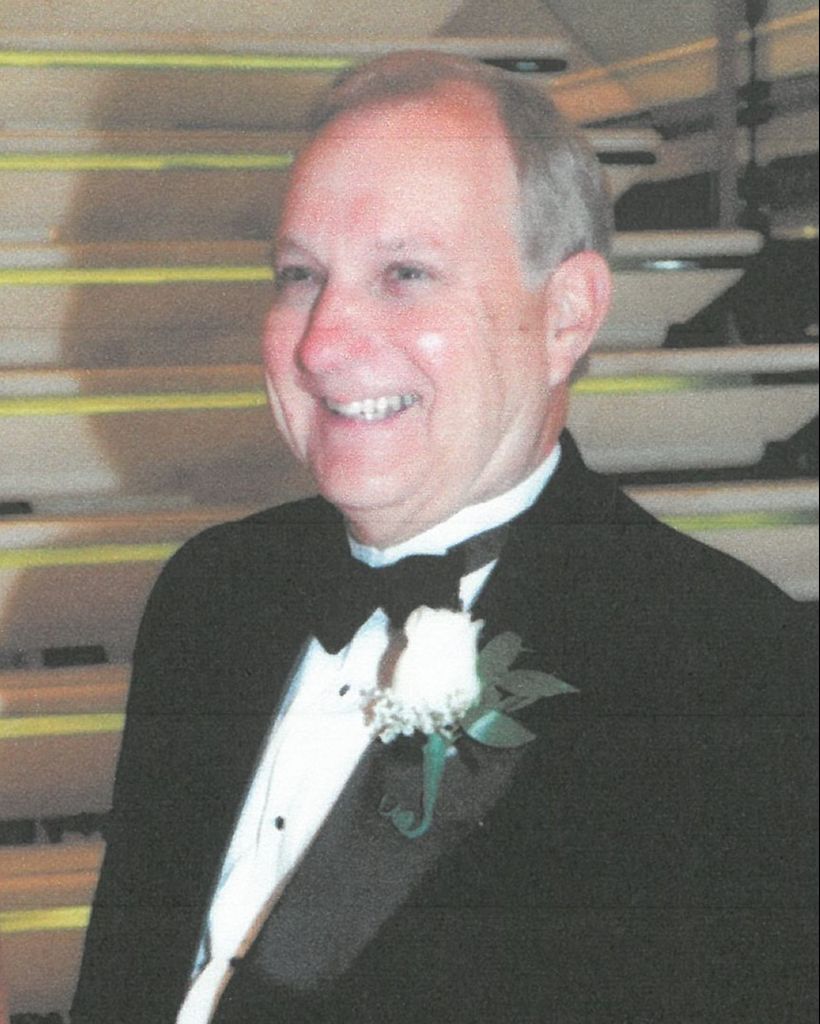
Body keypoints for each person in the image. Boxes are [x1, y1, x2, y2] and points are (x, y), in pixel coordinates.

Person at [71, 52, 816, 1023]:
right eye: (300, 275)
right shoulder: (212, 592)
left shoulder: (728, 672)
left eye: (405, 274)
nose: (321, 343)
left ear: (567, 315)